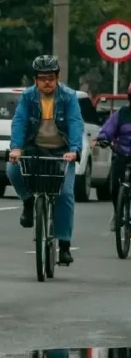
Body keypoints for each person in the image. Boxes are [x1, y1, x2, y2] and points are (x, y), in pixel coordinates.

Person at [7, 54, 83, 266]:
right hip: (34, 148)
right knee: (12, 170)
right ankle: (28, 201)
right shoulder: (28, 97)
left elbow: (76, 123)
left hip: (62, 152)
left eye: (50, 77)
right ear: (35, 80)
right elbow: (19, 122)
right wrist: (16, 148)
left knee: (65, 193)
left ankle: (65, 245)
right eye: (42, 78)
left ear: (57, 78)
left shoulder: (68, 97)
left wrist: (75, 149)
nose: (47, 82)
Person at [95, 82, 131, 230]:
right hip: (121, 154)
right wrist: (103, 138)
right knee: (115, 186)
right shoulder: (121, 113)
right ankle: (118, 213)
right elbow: (108, 128)